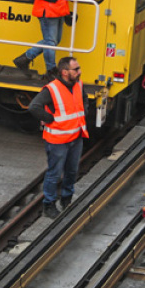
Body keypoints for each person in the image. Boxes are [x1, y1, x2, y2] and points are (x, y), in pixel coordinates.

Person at [28, 56, 87, 218]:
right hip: (58, 141)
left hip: (75, 137)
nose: (79, 72)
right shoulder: (52, 89)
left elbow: (84, 100)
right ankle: (49, 204)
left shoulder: (78, 85)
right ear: (64, 72)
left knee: (72, 171)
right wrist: (50, 119)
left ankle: (67, 199)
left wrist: (84, 113)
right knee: (54, 173)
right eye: (76, 69)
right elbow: (34, 107)